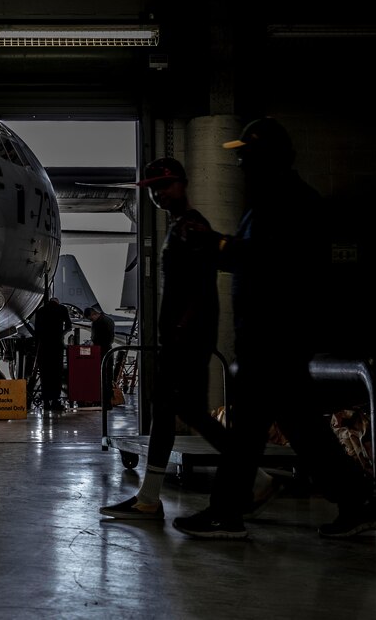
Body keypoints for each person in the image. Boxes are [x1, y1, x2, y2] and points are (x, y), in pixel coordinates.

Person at [172, 118, 376, 539]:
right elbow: (252, 259)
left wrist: (216, 242)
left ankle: (226, 513)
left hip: (275, 338)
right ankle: (359, 502)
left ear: (266, 157)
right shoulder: (275, 199)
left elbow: (268, 261)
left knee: (251, 432)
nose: (239, 164)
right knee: (298, 428)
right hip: (272, 339)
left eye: (245, 156)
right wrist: (215, 247)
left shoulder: (289, 201)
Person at [99, 157, 275, 521]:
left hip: (187, 342)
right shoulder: (181, 227)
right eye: (152, 190)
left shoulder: (192, 229)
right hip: (181, 340)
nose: (160, 195)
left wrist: (183, 336)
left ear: (183, 184)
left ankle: (254, 479)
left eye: (165, 186)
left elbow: (210, 284)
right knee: (172, 413)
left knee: (187, 414)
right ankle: (150, 498)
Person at [32, 295, 72, 410]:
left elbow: (37, 331)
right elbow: (69, 326)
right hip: (57, 346)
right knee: (56, 374)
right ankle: (55, 401)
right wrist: (61, 334)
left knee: (45, 374)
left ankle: (46, 402)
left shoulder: (41, 310)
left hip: (44, 347)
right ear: (57, 302)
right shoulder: (62, 309)